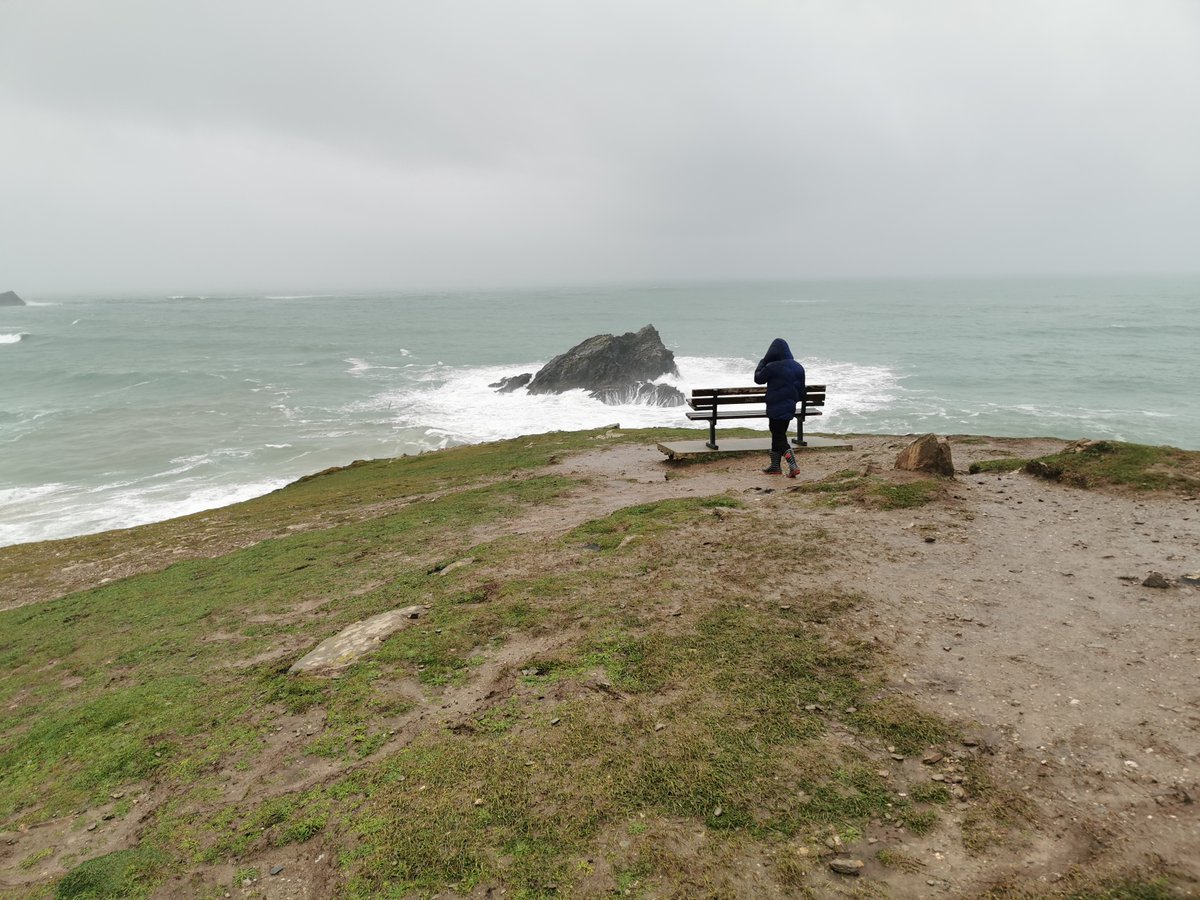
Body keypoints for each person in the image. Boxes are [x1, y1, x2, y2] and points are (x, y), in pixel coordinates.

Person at [754, 337, 805, 476]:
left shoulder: (772, 367)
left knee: (779, 437)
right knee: (778, 434)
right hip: (789, 407)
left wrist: (762, 362)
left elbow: (758, 379)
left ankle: (793, 465)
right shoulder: (798, 367)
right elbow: (802, 393)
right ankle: (775, 466)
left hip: (775, 406)